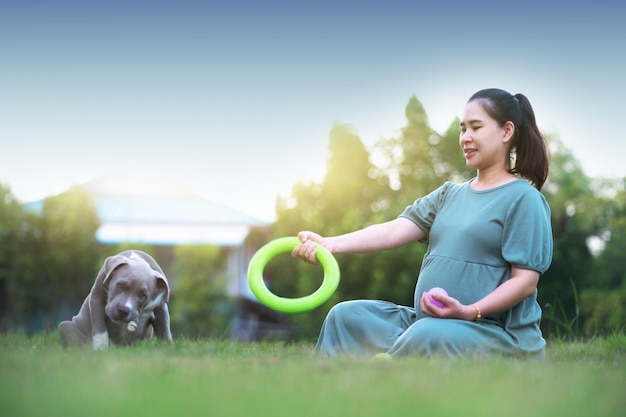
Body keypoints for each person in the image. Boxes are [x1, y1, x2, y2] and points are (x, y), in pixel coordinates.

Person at [292, 88, 553, 359]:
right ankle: (330, 391)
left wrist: (469, 311)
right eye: (463, 129)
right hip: (426, 324)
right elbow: (393, 230)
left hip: (494, 334)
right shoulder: (448, 194)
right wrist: (330, 244)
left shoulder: (524, 199)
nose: (465, 138)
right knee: (345, 316)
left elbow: (525, 283)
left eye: (476, 127)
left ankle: (386, 373)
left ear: (506, 131)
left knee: (428, 333)